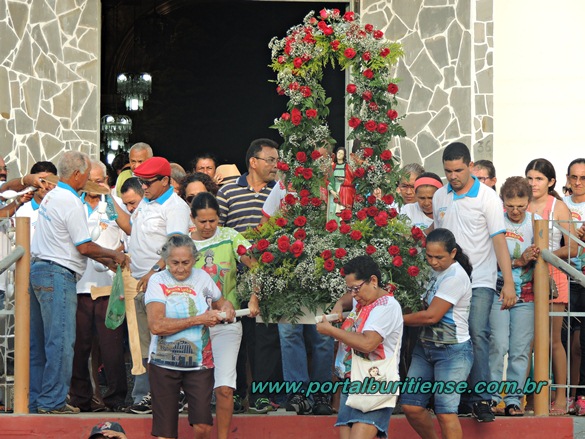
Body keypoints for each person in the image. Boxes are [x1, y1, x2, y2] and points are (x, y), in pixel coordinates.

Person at [29, 150, 127, 414]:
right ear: (77, 174)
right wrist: (114, 255)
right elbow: (83, 246)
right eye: (87, 175)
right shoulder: (71, 201)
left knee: (42, 343)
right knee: (62, 342)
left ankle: (38, 400)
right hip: (59, 275)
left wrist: (106, 259)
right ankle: (54, 402)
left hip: (43, 270)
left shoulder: (53, 196)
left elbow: (75, 244)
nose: (89, 181)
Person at [430, 142, 514, 422]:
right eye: (448, 171)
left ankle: (481, 399)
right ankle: (456, 399)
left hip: (480, 279)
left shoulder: (488, 197)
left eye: (458, 170)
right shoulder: (440, 196)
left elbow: (499, 240)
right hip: (446, 281)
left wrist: (508, 282)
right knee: (449, 336)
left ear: (470, 166)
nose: (453, 176)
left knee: (477, 333)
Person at [113, 156, 191, 415]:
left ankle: (174, 394)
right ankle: (153, 394)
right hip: (142, 282)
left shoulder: (175, 206)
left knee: (167, 339)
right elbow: (131, 229)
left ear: (166, 180)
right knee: (148, 343)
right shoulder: (146, 203)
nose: (143, 187)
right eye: (141, 182)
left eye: (148, 182)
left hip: (164, 282)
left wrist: (155, 271)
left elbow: (176, 246)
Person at [145, 234, 235, 439]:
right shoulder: (157, 281)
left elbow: (221, 302)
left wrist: (227, 307)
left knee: (203, 426)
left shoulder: (202, 277)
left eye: (185, 263)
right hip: (164, 362)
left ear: (194, 259)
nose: (180, 268)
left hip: (200, 363)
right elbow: (156, 326)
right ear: (166, 260)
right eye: (174, 263)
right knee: (165, 433)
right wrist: (199, 319)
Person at [216, 138, 282, 414]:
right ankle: (236, 393)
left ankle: (261, 395)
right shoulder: (228, 191)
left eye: (277, 160)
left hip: (270, 272)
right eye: (271, 160)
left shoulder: (279, 191)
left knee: (265, 336)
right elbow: (218, 230)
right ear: (253, 162)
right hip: (235, 274)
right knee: (236, 334)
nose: (276, 166)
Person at [190, 192, 260, 439]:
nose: (208, 226)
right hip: (193, 326)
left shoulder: (230, 237)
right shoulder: (183, 243)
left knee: (225, 388)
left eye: (213, 221)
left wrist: (254, 297)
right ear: (192, 219)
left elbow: (257, 265)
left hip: (228, 322)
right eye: (202, 221)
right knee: (198, 390)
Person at [316, 255, 403, 439]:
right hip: (352, 379)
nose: (354, 294)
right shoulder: (363, 298)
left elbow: (367, 343)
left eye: (356, 288)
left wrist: (331, 331)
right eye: (350, 289)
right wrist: (339, 304)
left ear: (373, 281)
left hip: (375, 381)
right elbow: (348, 298)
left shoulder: (387, 307)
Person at [401, 228, 473, 439]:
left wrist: (395, 319)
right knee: (411, 406)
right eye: (429, 256)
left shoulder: (456, 276)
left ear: (453, 253)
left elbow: (432, 316)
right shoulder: (430, 271)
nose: (433, 262)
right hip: (424, 347)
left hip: (453, 351)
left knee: (445, 411)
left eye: (439, 257)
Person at [69, 160, 127, 413]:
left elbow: (128, 236)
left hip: (110, 287)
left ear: (106, 180)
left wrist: (117, 255)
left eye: (99, 180)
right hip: (79, 285)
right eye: (90, 180)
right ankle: (81, 398)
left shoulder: (114, 204)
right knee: (80, 346)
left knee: (111, 346)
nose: (95, 185)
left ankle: (116, 399)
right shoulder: (74, 203)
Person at [526, 158, 577, 415]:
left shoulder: (559, 207)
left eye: (539, 179)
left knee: (553, 341)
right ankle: (527, 397)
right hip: (526, 277)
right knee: (527, 342)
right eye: (530, 178)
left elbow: (573, 248)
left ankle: (560, 397)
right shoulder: (520, 203)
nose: (533, 183)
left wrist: (545, 255)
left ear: (551, 182)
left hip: (554, 276)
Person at [489, 177, 539, 417]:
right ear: (503, 202)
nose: (516, 211)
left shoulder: (536, 223)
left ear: (529, 202)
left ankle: (513, 399)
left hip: (526, 293)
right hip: (498, 289)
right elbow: (488, 259)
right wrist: (519, 261)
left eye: (521, 206)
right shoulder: (496, 221)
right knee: (498, 345)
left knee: (520, 349)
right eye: (510, 206)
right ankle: (490, 397)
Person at [564, 158, 585, 415]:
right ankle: (566, 394)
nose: (578, 182)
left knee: (582, 344)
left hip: (584, 280)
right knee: (563, 342)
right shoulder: (561, 205)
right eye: (574, 177)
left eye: (583, 178)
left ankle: (581, 393)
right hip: (565, 278)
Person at [15, 161, 58, 240]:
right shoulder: (20, 211)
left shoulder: (62, 209)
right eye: (42, 181)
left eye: (50, 182)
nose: (46, 187)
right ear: (32, 183)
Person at [327, 147, 355, 221]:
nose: (339, 155)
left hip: (344, 191)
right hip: (334, 191)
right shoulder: (333, 167)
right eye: (338, 153)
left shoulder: (347, 167)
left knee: (342, 212)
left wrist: (344, 180)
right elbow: (328, 180)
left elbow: (352, 180)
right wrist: (332, 191)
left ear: (344, 156)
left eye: (341, 154)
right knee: (333, 210)